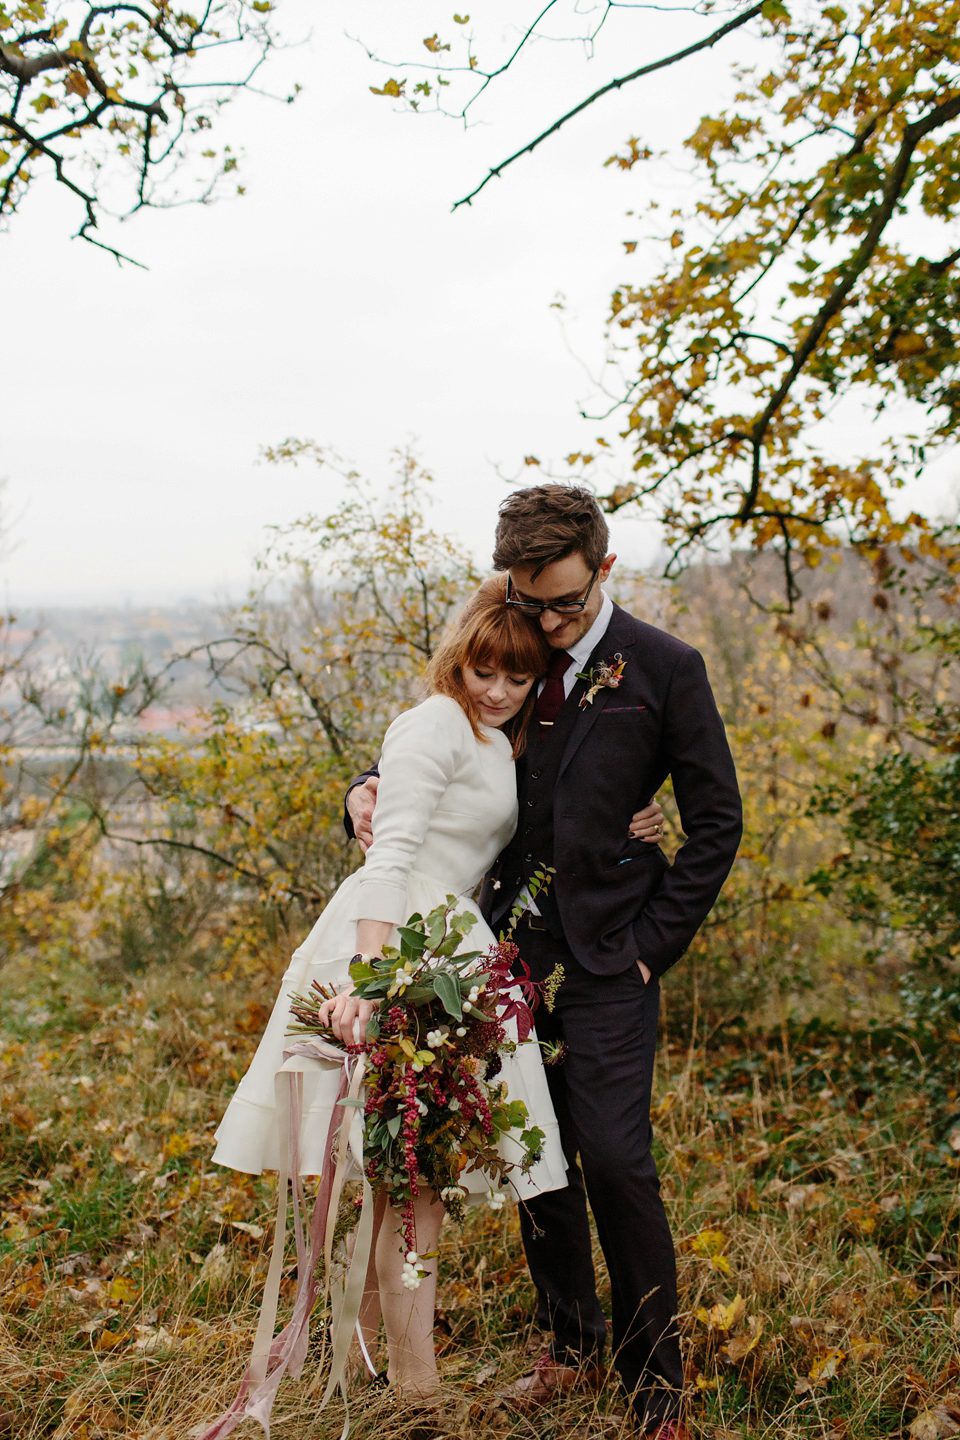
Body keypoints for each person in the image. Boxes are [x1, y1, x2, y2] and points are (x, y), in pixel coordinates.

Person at [346, 485, 743, 1440]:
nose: (550, 623)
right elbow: (437, 743)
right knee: (539, 1164)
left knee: (614, 1160)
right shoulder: (510, 650)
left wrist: (653, 949)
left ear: (604, 570)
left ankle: (659, 1389)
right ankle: (570, 1347)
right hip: (500, 960)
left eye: (566, 601)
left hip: (612, 963)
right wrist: (357, 790)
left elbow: (719, 820)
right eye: (532, 601)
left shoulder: (664, 668)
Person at [211, 578, 572, 1412]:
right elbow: (392, 852)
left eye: (518, 679)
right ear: (460, 657)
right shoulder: (434, 722)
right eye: (485, 669)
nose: (498, 689)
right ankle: (419, 1390)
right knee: (413, 1177)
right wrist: (371, 985)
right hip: (399, 947)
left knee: (408, 1174)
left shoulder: (495, 741)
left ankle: (368, 1363)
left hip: (452, 954)